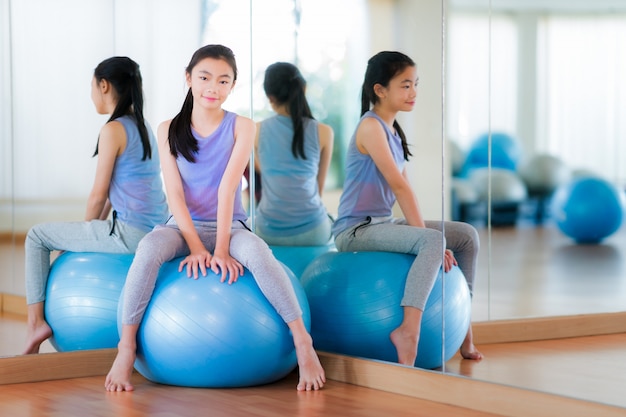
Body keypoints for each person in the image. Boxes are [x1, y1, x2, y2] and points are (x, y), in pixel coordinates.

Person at [104, 45, 326, 392]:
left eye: (224, 81)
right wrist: (195, 246)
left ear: (233, 86)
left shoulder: (243, 127)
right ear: (189, 78)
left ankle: (302, 342)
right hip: (180, 227)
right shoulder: (167, 129)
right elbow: (174, 193)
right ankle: (127, 347)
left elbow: (228, 190)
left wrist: (221, 249)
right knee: (147, 248)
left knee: (260, 257)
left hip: (231, 227)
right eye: (205, 77)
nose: (213, 87)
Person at [331, 51, 483, 366]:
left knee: (466, 236)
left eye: (415, 84)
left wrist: (426, 234)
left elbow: (406, 188)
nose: (413, 92)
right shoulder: (370, 127)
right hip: (355, 230)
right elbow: (400, 188)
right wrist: (428, 237)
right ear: (380, 89)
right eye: (405, 85)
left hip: (384, 222)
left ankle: (464, 328)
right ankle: (409, 331)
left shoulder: (394, 132)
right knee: (432, 240)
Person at [22, 57, 169, 355]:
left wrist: (81, 235)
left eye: (92, 86)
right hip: (157, 230)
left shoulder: (113, 129)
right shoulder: (143, 127)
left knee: (36, 236)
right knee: (60, 235)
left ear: (104, 85)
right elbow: (117, 194)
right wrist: (88, 232)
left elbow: (98, 196)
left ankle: (35, 322)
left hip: (130, 234)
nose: (91, 94)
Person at [254, 62, 334, 246]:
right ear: (303, 88)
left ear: (270, 97)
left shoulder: (256, 131)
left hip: (269, 231)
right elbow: (318, 189)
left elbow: (263, 170)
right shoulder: (324, 132)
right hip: (314, 231)